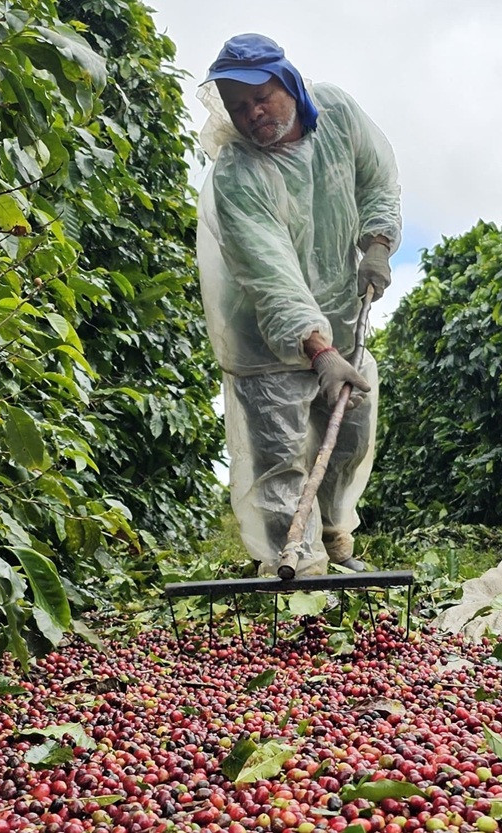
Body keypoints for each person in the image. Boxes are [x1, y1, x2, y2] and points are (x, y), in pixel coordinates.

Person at [195, 33, 402, 577]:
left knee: (348, 439)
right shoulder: (237, 175)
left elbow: (378, 178)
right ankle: (297, 576)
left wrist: (377, 243)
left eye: (261, 96)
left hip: (339, 315)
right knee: (280, 461)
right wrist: (318, 351)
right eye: (238, 107)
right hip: (264, 339)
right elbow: (272, 277)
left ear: (287, 82)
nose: (253, 113)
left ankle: (335, 540)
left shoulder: (335, 113)